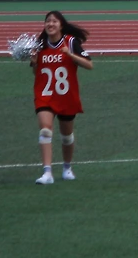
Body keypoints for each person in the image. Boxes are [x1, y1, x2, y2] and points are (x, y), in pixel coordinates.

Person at [31, 11, 93, 185]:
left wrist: (70, 55)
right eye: (48, 21)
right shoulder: (40, 44)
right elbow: (36, 72)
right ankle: (47, 172)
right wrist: (34, 62)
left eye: (54, 21)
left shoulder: (71, 42)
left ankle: (67, 167)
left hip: (66, 96)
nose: (50, 24)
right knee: (45, 129)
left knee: (66, 136)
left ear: (61, 25)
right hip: (45, 95)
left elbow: (89, 64)